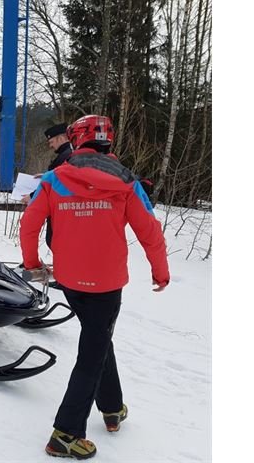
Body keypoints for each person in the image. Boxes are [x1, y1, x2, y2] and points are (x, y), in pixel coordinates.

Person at [19, 115, 170, 460]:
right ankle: (66, 433)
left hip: (71, 281)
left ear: (77, 139)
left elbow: (29, 224)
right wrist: (160, 272)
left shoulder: (55, 179)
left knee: (97, 336)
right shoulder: (127, 182)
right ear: (108, 141)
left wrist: (32, 263)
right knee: (93, 348)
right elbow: (150, 231)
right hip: (107, 284)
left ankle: (112, 408)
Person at [21, 123, 73, 249]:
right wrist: (46, 176)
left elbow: (59, 182)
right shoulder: (69, 154)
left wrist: (32, 196)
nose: (51, 145)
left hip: (59, 211)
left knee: (56, 242)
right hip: (65, 211)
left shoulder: (67, 156)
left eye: (52, 141)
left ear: (61, 138)